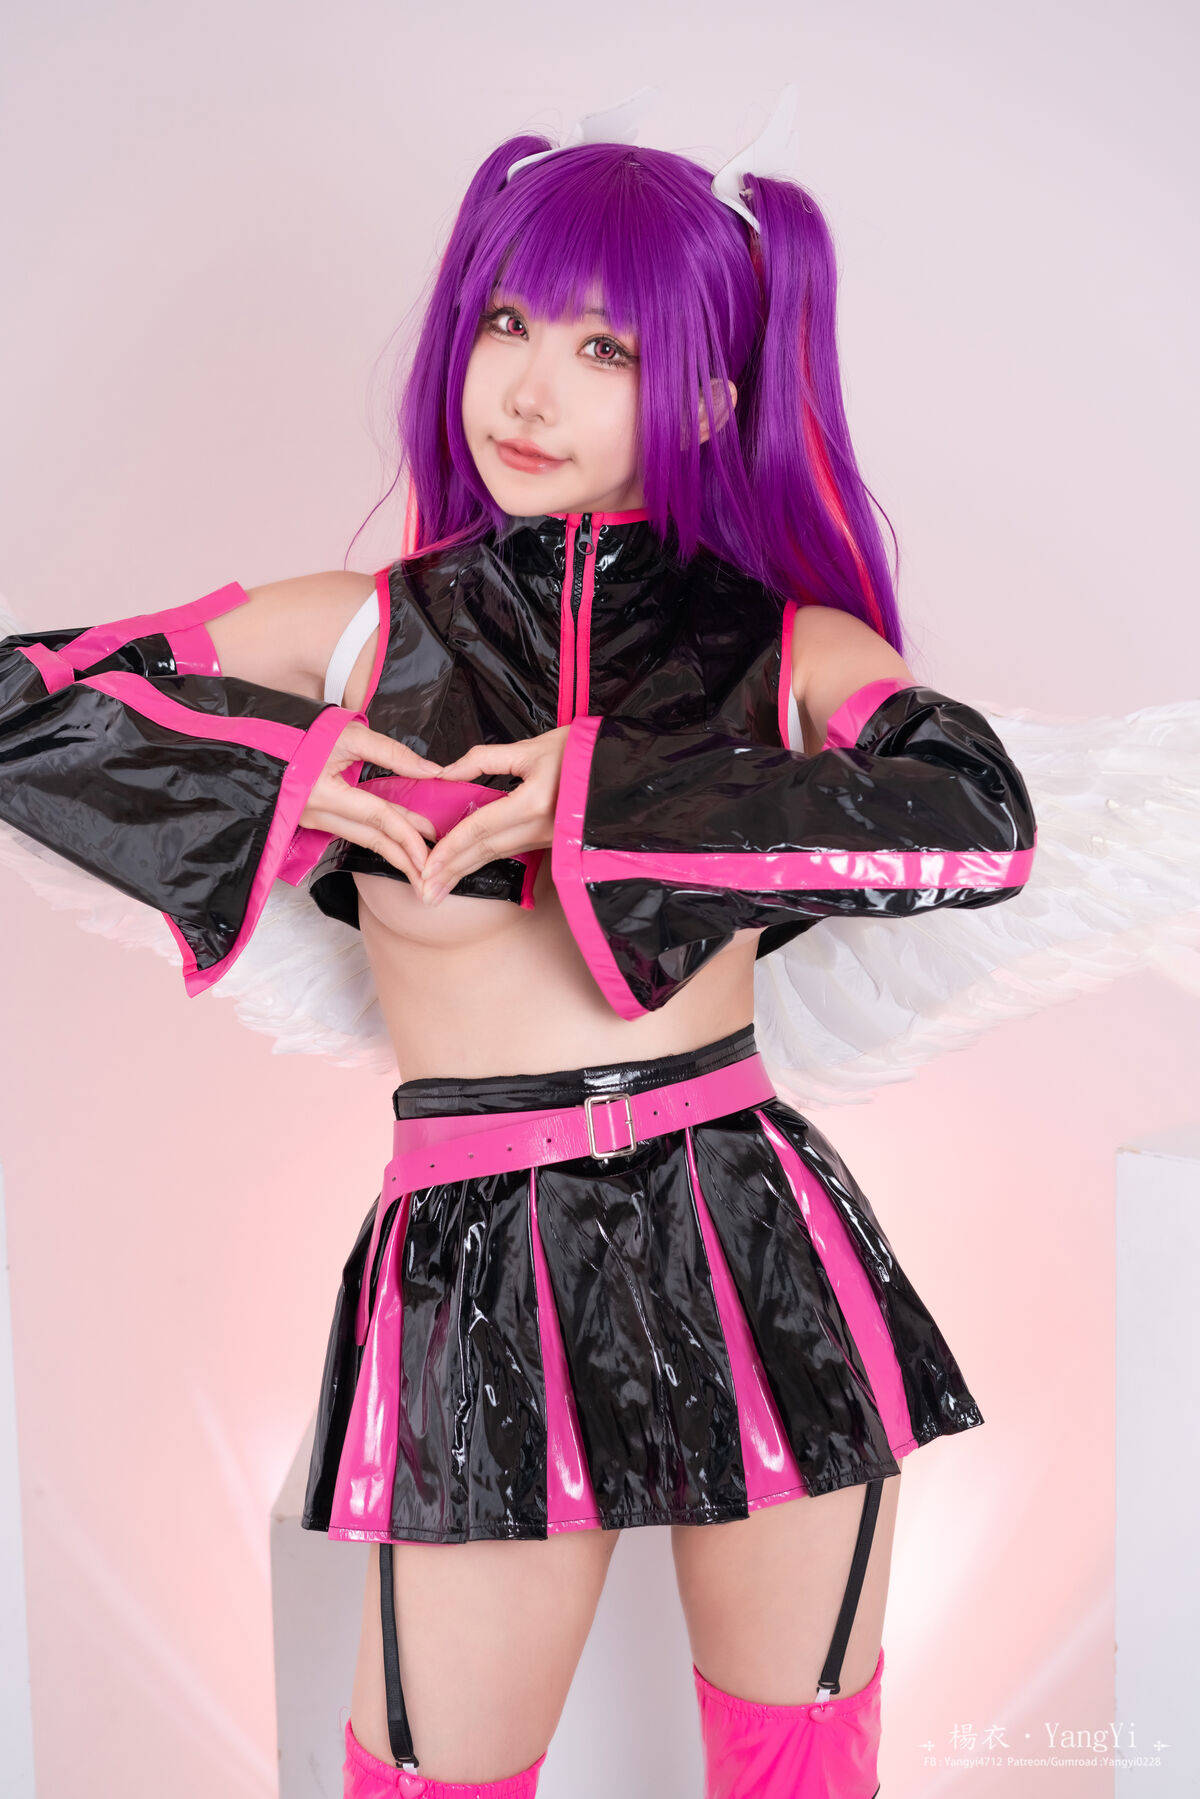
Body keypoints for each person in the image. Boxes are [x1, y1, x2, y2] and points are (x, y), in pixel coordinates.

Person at [0, 120, 1039, 1798]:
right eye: (505, 323)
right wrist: (278, 771)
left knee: (800, 1775)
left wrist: (613, 793)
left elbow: (978, 817)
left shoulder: (785, 652)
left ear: (705, 395)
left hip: (752, 1238)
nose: (530, 389)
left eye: (605, 350)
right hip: (480, 1254)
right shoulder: (360, 631)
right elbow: (20, 699)